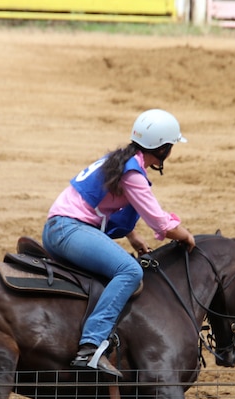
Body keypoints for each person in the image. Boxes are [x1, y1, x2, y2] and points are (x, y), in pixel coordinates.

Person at [42, 109, 196, 377]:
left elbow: (103, 204)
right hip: (69, 230)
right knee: (130, 271)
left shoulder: (120, 160)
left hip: (59, 228)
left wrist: (133, 236)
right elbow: (160, 223)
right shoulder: (134, 174)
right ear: (163, 149)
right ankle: (91, 347)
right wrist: (185, 235)